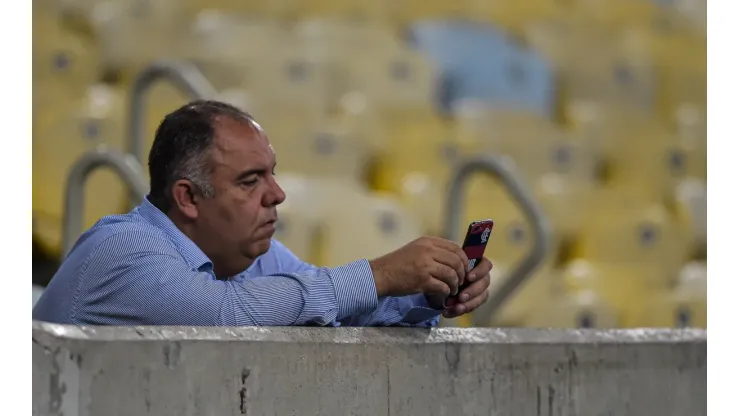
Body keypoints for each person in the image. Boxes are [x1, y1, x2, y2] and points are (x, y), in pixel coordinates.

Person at [32, 100, 492, 327]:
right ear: (188, 198)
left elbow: (332, 314)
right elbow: (231, 316)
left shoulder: (256, 256)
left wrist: (425, 294)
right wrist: (380, 274)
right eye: (250, 181)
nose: (277, 194)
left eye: (271, 174)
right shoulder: (123, 249)